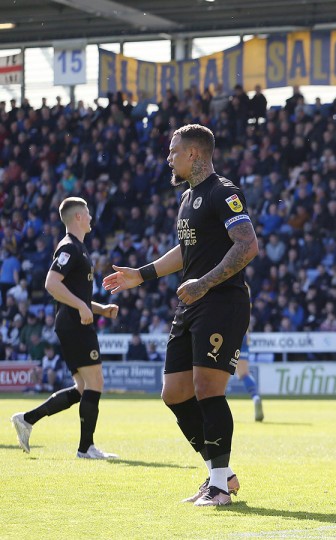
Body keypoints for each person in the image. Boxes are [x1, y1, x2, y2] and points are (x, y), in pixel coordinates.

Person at [103, 124, 259, 507]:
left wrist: (204, 283)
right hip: (192, 303)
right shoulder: (188, 197)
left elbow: (248, 245)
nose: (168, 158)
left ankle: (219, 487)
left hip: (222, 301)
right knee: (174, 394)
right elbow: (185, 250)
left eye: (173, 152)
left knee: (207, 389)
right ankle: (219, 474)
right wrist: (141, 274)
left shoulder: (224, 192)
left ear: (193, 154)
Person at [11, 197, 120, 459]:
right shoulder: (69, 248)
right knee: (95, 382)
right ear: (78, 217)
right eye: (88, 213)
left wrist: (98, 308)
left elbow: (73, 294)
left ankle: (27, 419)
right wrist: (82, 309)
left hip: (72, 322)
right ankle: (86, 448)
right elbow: (51, 283)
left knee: (83, 387)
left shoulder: (78, 248)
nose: (91, 218)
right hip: (73, 324)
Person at [234, 332, 263, 422]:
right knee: (243, 373)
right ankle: (255, 397)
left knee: (219, 372)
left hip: (228, 333)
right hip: (243, 334)